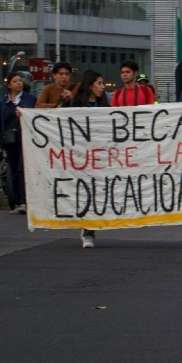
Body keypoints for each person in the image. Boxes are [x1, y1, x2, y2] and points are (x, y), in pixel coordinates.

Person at [65, 70, 110, 246]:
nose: (102, 87)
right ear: (90, 85)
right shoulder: (76, 104)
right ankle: (88, 231)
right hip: (82, 157)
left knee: (97, 192)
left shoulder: (104, 105)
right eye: (99, 83)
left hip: (101, 157)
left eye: (102, 83)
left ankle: (90, 228)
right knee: (86, 193)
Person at [0, 73, 33, 214]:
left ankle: (25, 201)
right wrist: (0, 142)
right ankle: (18, 202)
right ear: (9, 84)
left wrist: (25, 112)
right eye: (15, 81)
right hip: (10, 141)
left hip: (26, 140)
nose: (19, 83)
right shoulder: (3, 103)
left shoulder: (29, 99)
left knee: (21, 169)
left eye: (20, 81)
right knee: (13, 170)